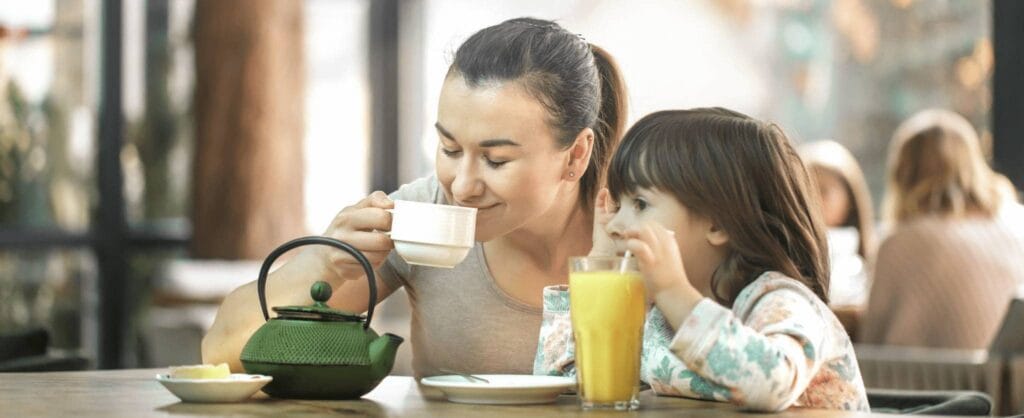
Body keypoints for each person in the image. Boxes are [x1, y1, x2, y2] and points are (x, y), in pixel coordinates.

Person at [202, 17, 628, 377]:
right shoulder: (423, 214)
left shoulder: (641, 220)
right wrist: (323, 262)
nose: (462, 187)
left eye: (495, 160)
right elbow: (221, 355)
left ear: (576, 155)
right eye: (450, 149)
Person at [536, 108, 869, 412]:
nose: (616, 225)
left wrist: (674, 293)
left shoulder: (780, 301)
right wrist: (600, 264)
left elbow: (770, 383)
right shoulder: (656, 315)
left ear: (718, 224)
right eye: (617, 205)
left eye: (640, 204)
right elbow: (559, 381)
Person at [860, 109, 1024, 349]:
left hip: (936, 373)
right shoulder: (1017, 220)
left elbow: (871, 339)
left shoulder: (902, 241)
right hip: (1007, 372)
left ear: (903, 171)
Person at [799, 140, 874, 307]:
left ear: (850, 200)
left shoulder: (870, 265)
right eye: (805, 190)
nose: (812, 200)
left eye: (823, 190)